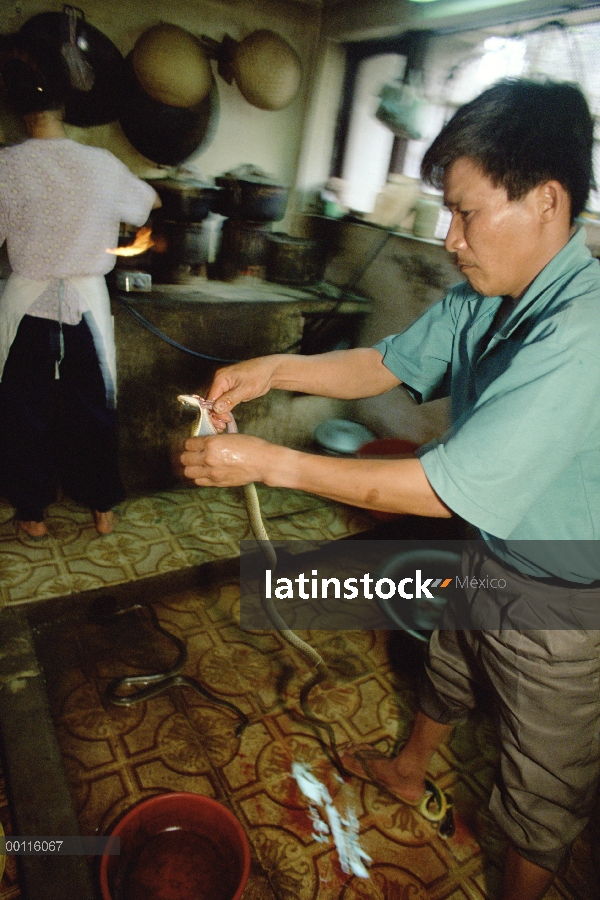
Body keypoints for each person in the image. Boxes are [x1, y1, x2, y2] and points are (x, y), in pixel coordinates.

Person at [180, 78, 599, 899]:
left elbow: (443, 489)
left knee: (541, 783)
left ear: (546, 201)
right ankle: (410, 773)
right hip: (491, 548)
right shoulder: (491, 299)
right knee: (450, 664)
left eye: (467, 213)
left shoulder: (581, 336)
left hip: (563, 593)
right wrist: (273, 368)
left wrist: (271, 462)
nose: (451, 238)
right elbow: (384, 362)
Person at [0, 40, 159, 537]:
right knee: (92, 407)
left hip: (28, 302)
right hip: (86, 304)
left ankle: (32, 515)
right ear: (65, 105)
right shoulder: (101, 163)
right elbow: (147, 204)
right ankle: (102, 508)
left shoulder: (7, 166)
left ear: (19, 109)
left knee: (25, 409)